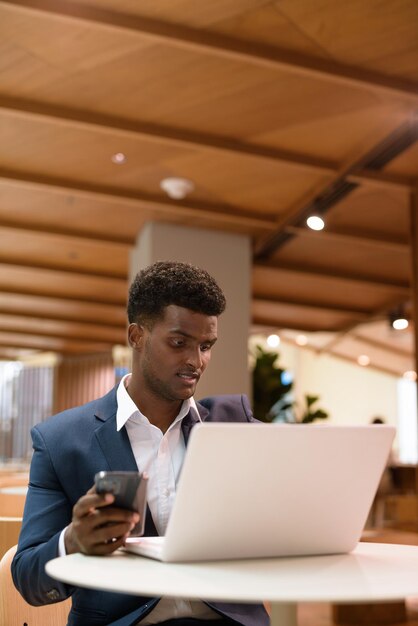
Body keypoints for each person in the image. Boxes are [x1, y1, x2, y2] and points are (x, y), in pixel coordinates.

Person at [12, 261, 269, 626]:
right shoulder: (60, 441)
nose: (196, 361)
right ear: (137, 336)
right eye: (179, 343)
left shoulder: (235, 428)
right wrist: (72, 541)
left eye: (206, 346)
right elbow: (28, 578)